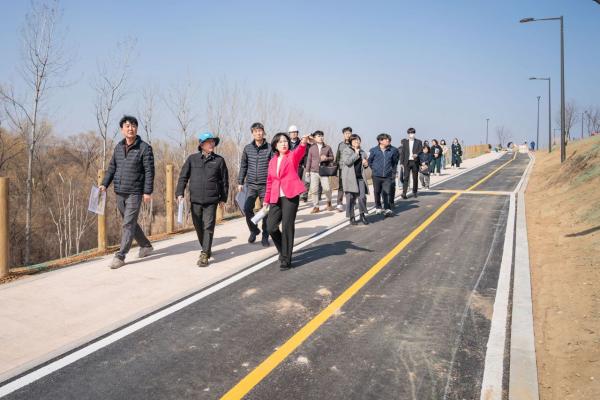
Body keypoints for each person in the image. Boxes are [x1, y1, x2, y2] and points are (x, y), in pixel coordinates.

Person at [100, 115, 155, 270]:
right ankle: (146, 245)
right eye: (127, 126)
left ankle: (121, 255)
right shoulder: (118, 147)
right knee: (129, 222)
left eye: (133, 126)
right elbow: (112, 168)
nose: (130, 128)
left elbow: (150, 171)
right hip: (120, 191)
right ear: (122, 129)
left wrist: (147, 191)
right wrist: (104, 184)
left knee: (128, 223)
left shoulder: (144, 148)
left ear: (137, 128)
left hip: (135, 192)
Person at [176, 133, 228, 267]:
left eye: (213, 142)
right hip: (196, 200)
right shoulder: (192, 159)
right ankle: (207, 247)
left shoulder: (219, 160)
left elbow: (224, 181)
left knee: (208, 226)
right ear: (201, 145)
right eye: (208, 142)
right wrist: (179, 193)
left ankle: (204, 254)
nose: (212, 144)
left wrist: (223, 198)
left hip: (212, 200)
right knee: (198, 226)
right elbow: (183, 177)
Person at [262, 132, 310, 270]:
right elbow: (270, 181)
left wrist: (303, 142)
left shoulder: (291, 156)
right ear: (275, 145)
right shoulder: (272, 161)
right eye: (281, 141)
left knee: (287, 226)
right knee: (270, 226)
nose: (284, 143)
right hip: (276, 197)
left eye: (286, 141)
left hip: (290, 195)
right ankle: (284, 250)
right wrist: (266, 199)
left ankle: (286, 259)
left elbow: (300, 151)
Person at [238, 122, 272, 247]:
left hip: (265, 185)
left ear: (263, 132)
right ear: (252, 133)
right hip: (251, 184)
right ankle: (254, 230)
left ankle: (265, 236)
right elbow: (243, 166)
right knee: (247, 209)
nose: (258, 133)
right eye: (256, 131)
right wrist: (240, 181)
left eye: (260, 130)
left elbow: (273, 166)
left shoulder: (270, 148)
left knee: (266, 212)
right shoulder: (247, 148)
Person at [341, 134, 370, 225]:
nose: (357, 142)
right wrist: (356, 154)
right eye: (354, 141)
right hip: (349, 179)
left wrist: (366, 164)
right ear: (351, 142)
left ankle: (362, 215)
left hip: (360, 178)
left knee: (362, 197)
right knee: (350, 198)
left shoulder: (363, 152)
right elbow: (348, 162)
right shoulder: (346, 151)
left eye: (358, 140)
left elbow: (365, 166)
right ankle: (351, 216)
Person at [368, 133, 399, 217]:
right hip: (376, 175)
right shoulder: (373, 150)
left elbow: (395, 162)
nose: (388, 140)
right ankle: (378, 207)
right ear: (380, 141)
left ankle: (387, 208)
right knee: (377, 192)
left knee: (386, 192)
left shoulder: (392, 150)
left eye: (388, 139)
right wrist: (375, 169)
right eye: (386, 139)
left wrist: (392, 172)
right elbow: (369, 161)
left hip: (387, 176)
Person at [305, 130, 334, 213]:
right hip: (313, 172)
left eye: (322, 135)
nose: (321, 137)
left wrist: (326, 158)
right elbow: (309, 160)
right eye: (318, 136)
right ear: (314, 138)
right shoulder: (311, 148)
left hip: (324, 171)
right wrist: (307, 171)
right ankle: (316, 206)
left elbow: (332, 157)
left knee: (327, 188)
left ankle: (328, 202)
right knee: (313, 190)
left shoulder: (327, 147)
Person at [399, 127, 423, 199]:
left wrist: (417, 154)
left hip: (415, 162)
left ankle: (415, 192)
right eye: (410, 133)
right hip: (407, 162)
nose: (411, 134)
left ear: (414, 133)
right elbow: (403, 153)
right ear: (408, 134)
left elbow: (421, 150)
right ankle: (404, 193)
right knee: (406, 178)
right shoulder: (405, 142)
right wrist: (401, 163)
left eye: (412, 133)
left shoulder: (419, 142)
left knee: (415, 178)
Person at [288, 125, 309, 202]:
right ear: (289, 134)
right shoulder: (286, 143)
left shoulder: (302, 142)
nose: (293, 134)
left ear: (297, 133)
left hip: (299, 166)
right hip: (288, 166)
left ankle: (297, 199)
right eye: (292, 132)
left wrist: (305, 164)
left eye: (295, 132)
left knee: (297, 182)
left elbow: (306, 154)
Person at [335, 127, 353, 212]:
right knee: (341, 186)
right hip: (342, 168)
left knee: (351, 186)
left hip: (351, 169)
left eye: (349, 133)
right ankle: (339, 203)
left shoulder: (353, 144)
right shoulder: (340, 144)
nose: (348, 135)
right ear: (343, 134)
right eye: (346, 133)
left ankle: (352, 202)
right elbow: (338, 157)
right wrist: (336, 167)